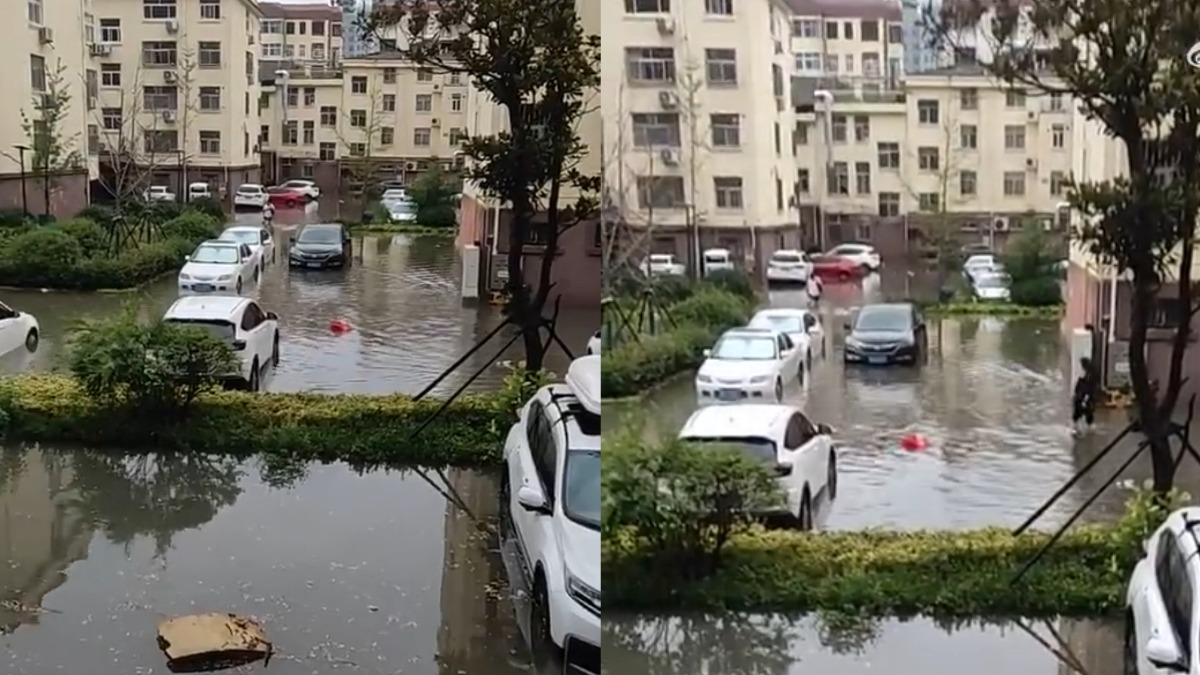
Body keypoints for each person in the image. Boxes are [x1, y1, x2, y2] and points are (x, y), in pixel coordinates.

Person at [1072, 357, 1100, 435]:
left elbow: (1087, 388)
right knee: (1086, 411)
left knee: (1082, 410)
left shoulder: (1090, 375)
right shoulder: (1089, 373)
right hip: (1085, 395)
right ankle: (1086, 427)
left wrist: (1084, 398)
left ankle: (1079, 427)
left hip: (1085, 396)